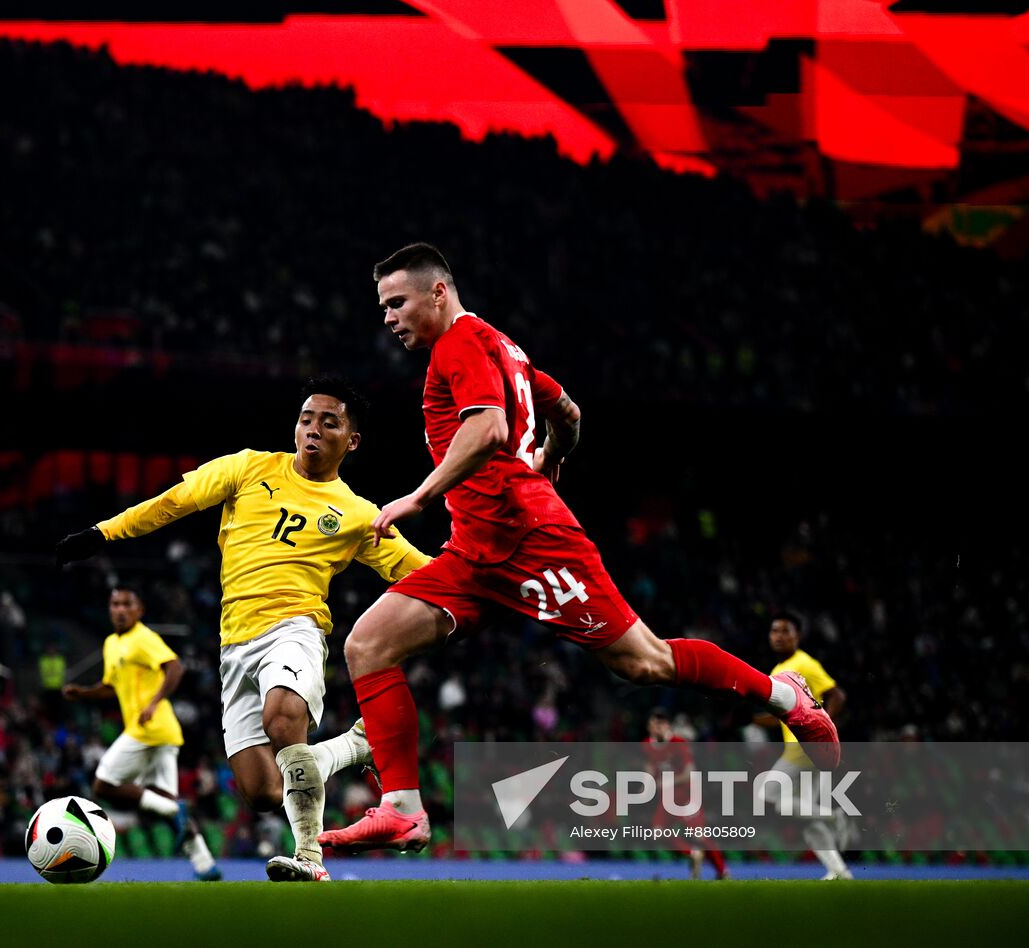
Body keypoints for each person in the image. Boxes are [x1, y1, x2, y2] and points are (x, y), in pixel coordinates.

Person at [319, 243, 838, 853]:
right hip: (475, 552)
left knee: (644, 662)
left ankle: (786, 697)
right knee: (369, 644)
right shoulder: (501, 345)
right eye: (384, 306)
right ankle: (403, 809)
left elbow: (486, 429)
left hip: (533, 540)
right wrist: (553, 456)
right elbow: (568, 411)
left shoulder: (457, 347)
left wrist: (419, 497)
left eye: (396, 302)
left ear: (438, 292)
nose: (388, 317)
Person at [56, 376, 430, 881]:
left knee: (284, 717)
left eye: (329, 422)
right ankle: (354, 746)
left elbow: (416, 569)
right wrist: (104, 532)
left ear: (352, 440)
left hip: (295, 627)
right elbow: (173, 502)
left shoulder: (361, 515)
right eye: (306, 419)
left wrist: (485, 580)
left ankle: (309, 860)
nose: (313, 430)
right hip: (234, 643)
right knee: (262, 792)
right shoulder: (249, 468)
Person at [62, 586, 221, 881]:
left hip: (149, 727)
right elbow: (111, 686)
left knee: (103, 785)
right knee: (164, 804)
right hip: (161, 733)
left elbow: (175, 668)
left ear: (139, 610)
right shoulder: (112, 644)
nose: (120, 609)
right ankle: (205, 865)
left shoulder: (144, 638)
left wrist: (154, 701)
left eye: (126, 604)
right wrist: (83, 693)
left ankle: (176, 810)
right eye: (115, 604)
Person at [752, 612, 852, 880]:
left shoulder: (805, 664)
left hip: (803, 748)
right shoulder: (777, 671)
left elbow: (837, 695)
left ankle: (835, 816)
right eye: (775, 631)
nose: (779, 636)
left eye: (785, 631)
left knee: (766, 795)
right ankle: (839, 872)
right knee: (806, 819)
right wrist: (756, 720)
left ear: (797, 636)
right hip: (801, 749)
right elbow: (784, 715)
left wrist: (822, 732)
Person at [642, 708, 729, 880]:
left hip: (687, 795)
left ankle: (722, 872)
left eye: (659, 724)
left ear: (667, 725)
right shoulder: (646, 745)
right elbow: (650, 768)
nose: (655, 728)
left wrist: (667, 781)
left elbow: (690, 772)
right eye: (652, 725)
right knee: (658, 831)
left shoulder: (678, 742)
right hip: (667, 798)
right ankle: (693, 853)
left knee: (699, 835)